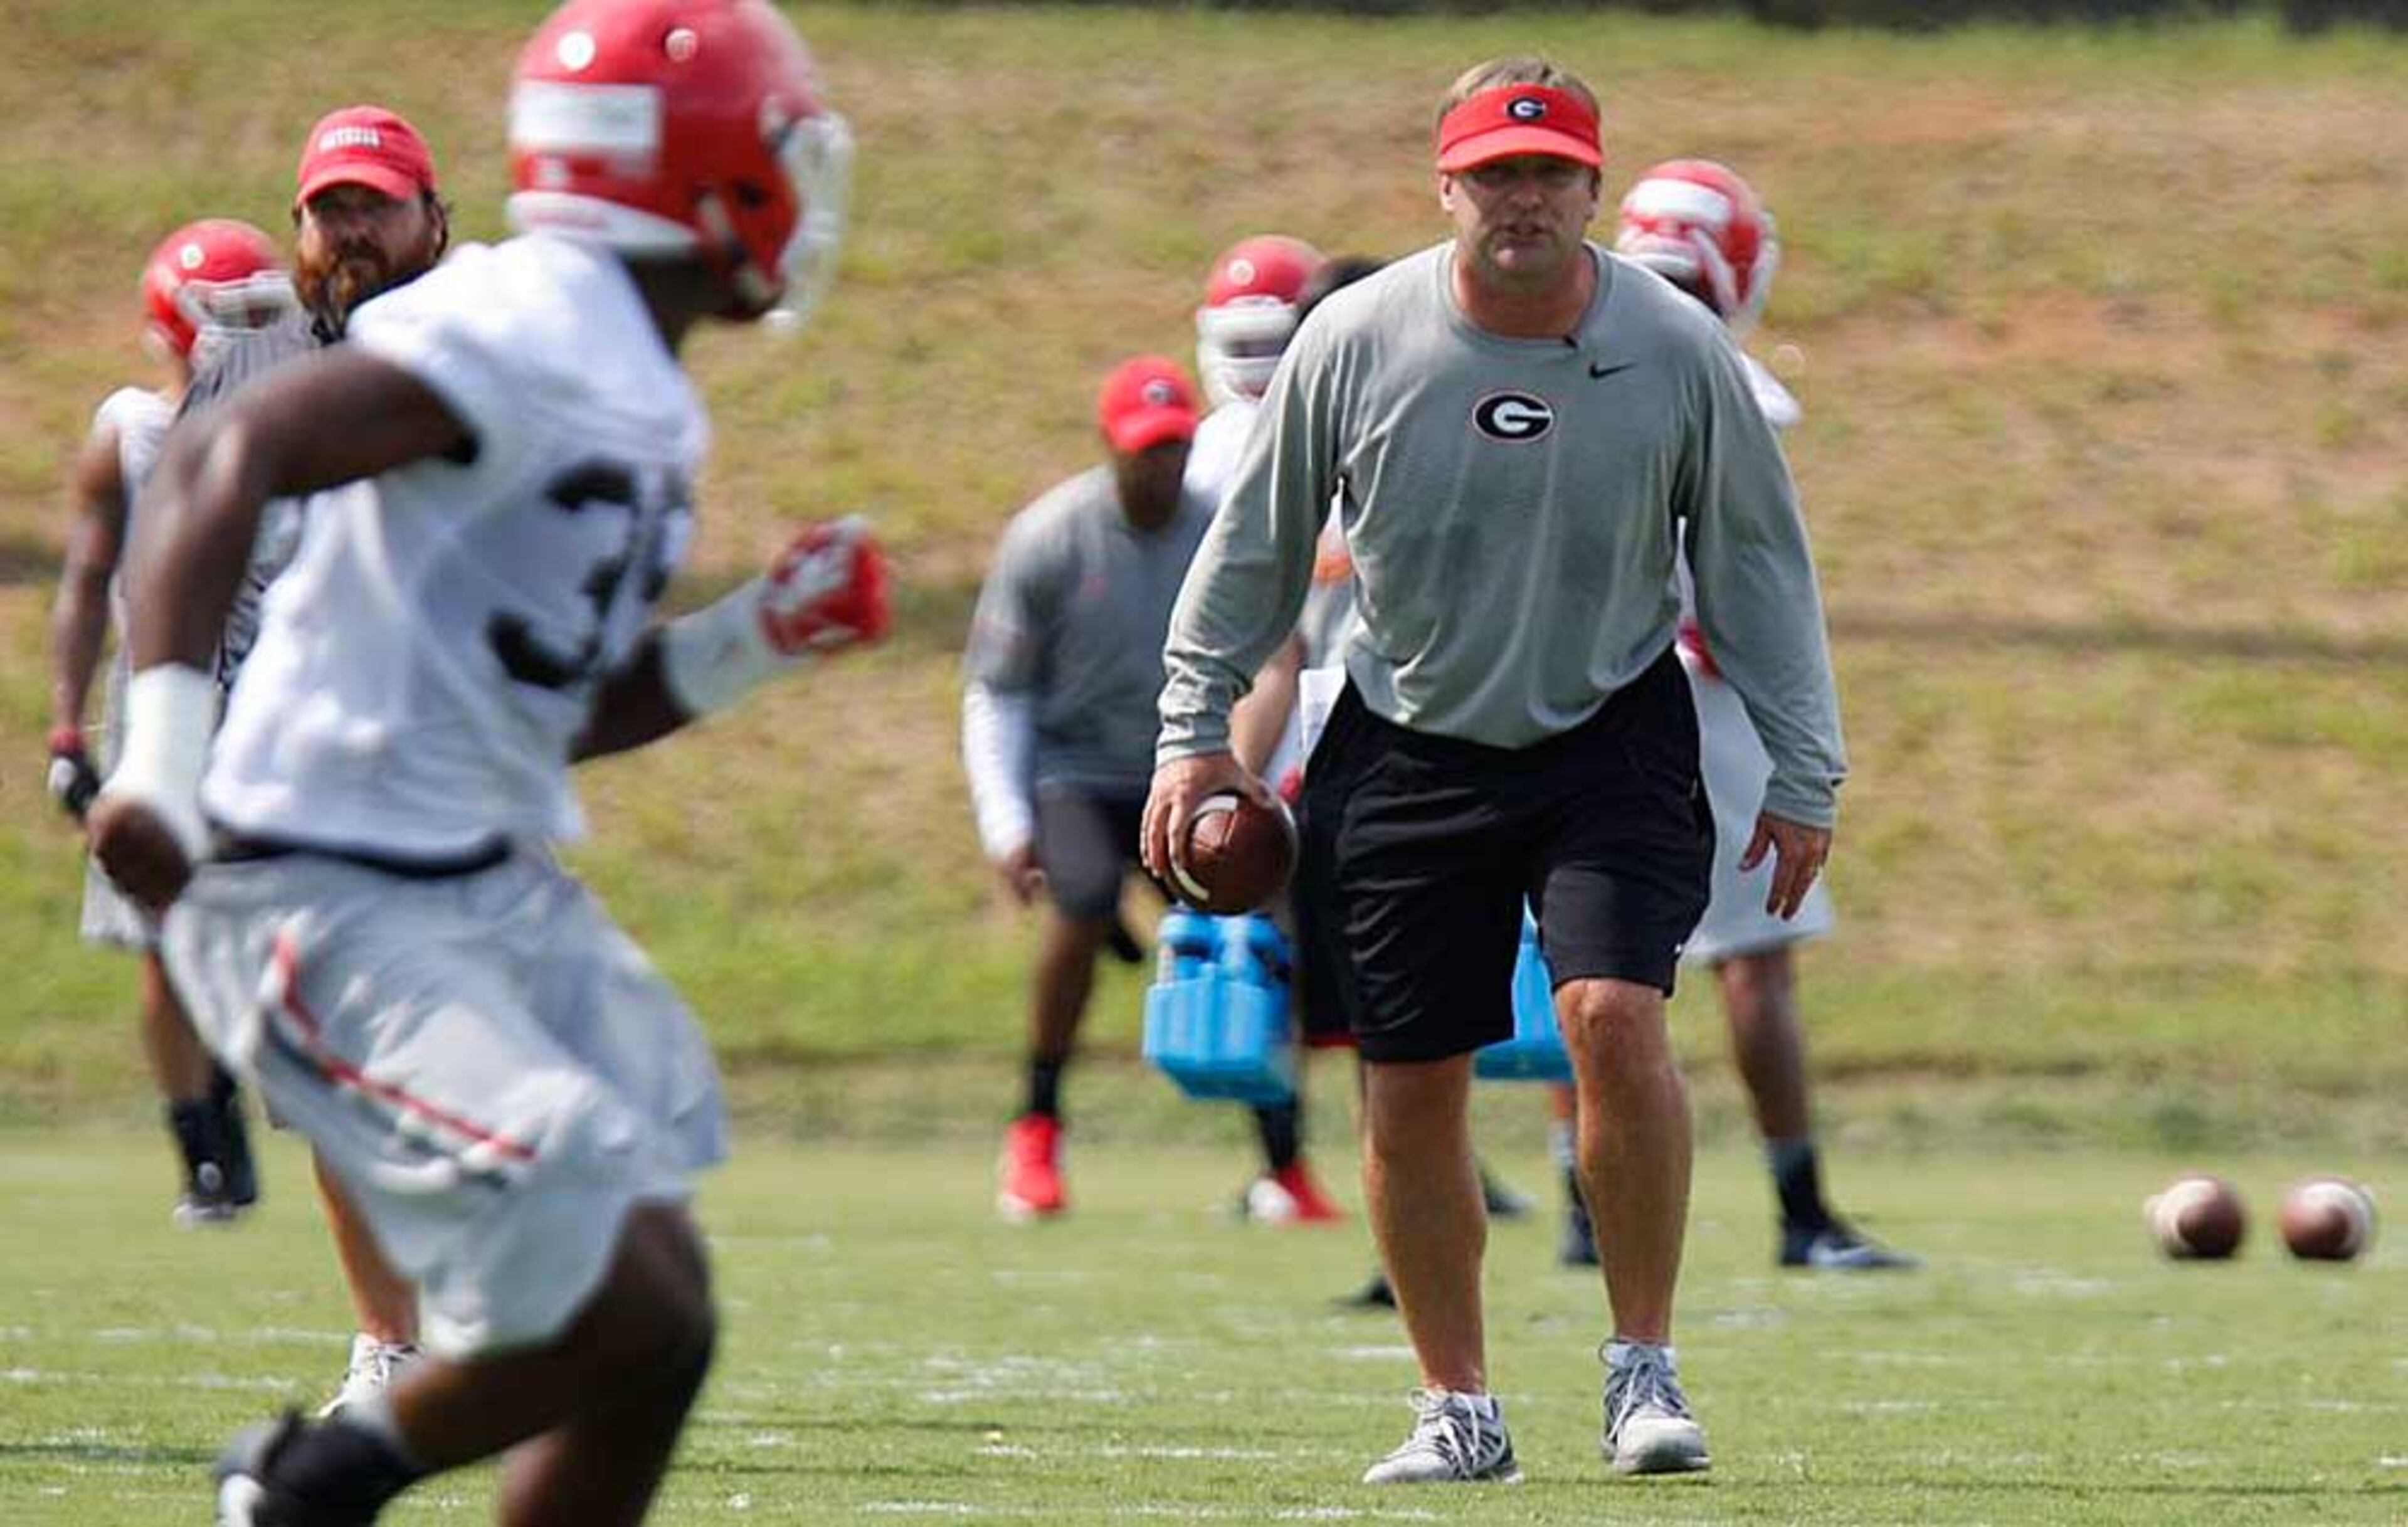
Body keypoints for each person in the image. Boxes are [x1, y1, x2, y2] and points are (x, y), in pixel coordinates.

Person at [87, 1, 880, 1520]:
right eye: (774, 149)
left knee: (662, 1320)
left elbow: (557, 702)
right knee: (602, 1264)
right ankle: (312, 1486)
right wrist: (164, 757)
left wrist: (754, 639)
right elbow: (220, 456)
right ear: (703, 171)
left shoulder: (633, 376)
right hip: (324, 884)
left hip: (475, 881)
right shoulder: (528, 323)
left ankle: (310, 1489)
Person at [1144, 57, 1846, 1486]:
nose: (1523, 199)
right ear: (1444, 187)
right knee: (1410, 1085)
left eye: (1551, 175)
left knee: (1610, 1013)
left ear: (1592, 188)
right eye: (1495, 174)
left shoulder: (1675, 347)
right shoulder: (1355, 337)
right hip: (1406, 738)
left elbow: (1757, 564)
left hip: (1611, 728)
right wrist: (1192, 730)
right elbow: (1257, 550)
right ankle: (1456, 1409)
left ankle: (1640, 1368)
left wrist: (1804, 766)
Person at [1543, 159, 1913, 1274]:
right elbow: (1752, 572)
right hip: (1703, 693)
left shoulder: (1568, 354)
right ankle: (1799, 1208)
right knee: (1754, 959)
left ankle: (1578, 1206)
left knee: (1584, 958)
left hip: (1573, 694)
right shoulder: (1731, 382)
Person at [181, 101, 459, 1421]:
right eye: (328, 205)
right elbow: (185, 566)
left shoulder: (487, 352)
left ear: (433, 219)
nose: (349, 226)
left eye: (375, 203)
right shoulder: (247, 363)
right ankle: (392, 1343)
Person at [46, 218, 290, 1228]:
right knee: (163, 938)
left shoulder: (316, 423)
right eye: (232, 317)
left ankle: (319, 1098)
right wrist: (66, 732)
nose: (254, 336)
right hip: (161, 710)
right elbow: (86, 575)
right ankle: (204, 1142)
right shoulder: (132, 434)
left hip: (283, 709)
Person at [963, 356, 1216, 1222]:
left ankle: (1282, 1156)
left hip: (1181, 765)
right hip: (1075, 768)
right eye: (1146, 448)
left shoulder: (1220, 533)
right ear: (1110, 447)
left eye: (1176, 446)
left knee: (1247, 927)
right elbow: (999, 687)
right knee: (1077, 897)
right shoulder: (1050, 537)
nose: (1163, 465)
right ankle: (1036, 1123)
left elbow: (1266, 658)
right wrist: (1006, 824)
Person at [1186, 235, 1346, 1225]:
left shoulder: (1316, 429)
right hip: (1264, 740)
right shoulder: (1219, 454)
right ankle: (1285, 1164)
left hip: (1317, 733)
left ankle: (1387, 1153)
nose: (1252, 364)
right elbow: (1266, 634)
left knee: (1349, 976)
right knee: (1282, 974)